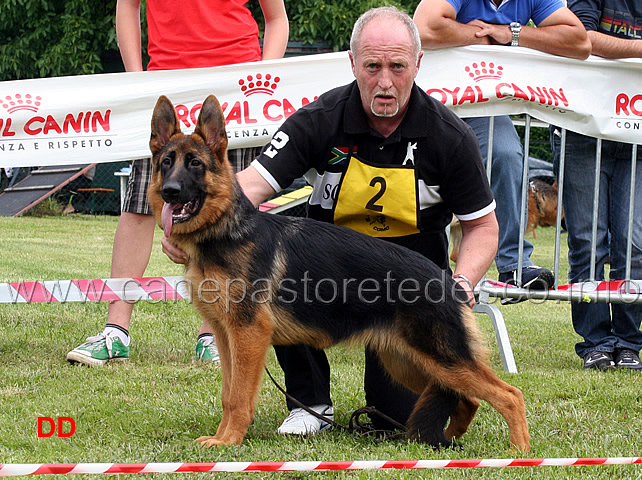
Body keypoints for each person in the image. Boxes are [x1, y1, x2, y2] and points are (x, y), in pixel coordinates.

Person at [163, 6, 498, 436]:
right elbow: (249, 186)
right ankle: (309, 401)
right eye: (372, 66)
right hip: (323, 259)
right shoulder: (318, 118)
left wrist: (462, 284)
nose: (384, 81)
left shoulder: (450, 136)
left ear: (417, 64)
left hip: (403, 273)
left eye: (397, 67)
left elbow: (483, 227)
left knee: (398, 415)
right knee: (273, 265)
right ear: (353, 63)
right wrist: (187, 218)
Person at [66, 0, 289, 367]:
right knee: (139, 205)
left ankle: (212, 334)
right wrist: (138, 78)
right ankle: (115, 331)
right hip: (163, 82)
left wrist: (261, 80)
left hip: (238, 86)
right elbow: (127, 8)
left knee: (230, 212)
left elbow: (277, 18)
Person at [413, 0, 591, 303]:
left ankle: (515, 266)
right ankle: (420, 267)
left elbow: (580, 41)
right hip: (430, 103)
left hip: (485, 105)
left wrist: (512, 33)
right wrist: (480, 36)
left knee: (507, 155)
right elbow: (423, 27)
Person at [549, 0, 642, 371]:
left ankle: (629, 342)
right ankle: (596, 343)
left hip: (636, 135)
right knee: (588, 242)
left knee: (633, 245)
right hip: (582, 131)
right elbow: (583, 40)